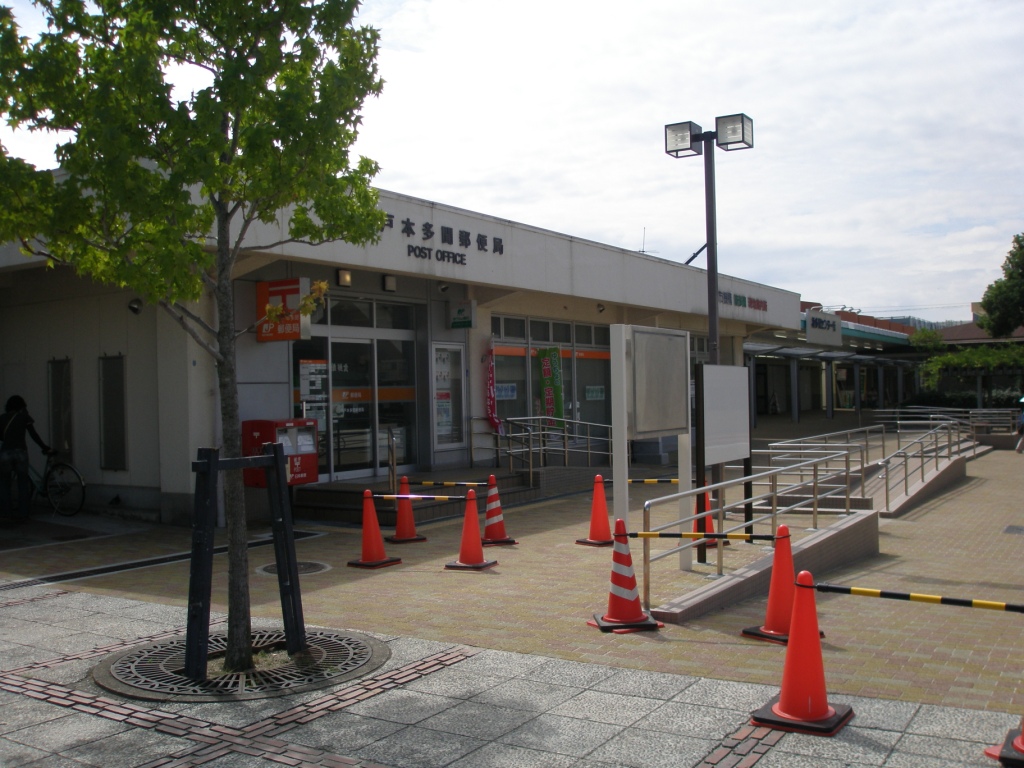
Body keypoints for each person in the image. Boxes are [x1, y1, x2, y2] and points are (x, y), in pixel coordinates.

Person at [0, 395, 53, 521]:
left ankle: (6, 513)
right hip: (21, 452)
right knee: (23, 483)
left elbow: (1, 437)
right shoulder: (24, 417)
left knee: (4, 484)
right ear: (21, 406)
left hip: (5, 453)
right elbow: (33, 434)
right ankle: (23, 514)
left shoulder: (1, 418)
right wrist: (44, 447)